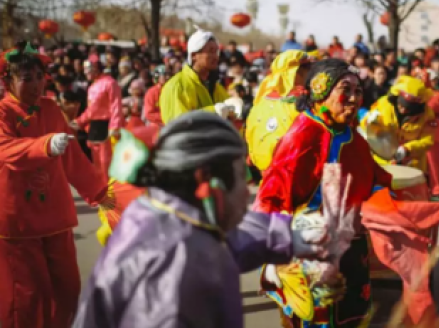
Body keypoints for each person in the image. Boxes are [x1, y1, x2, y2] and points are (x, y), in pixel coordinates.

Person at [73, 112, 329, 328]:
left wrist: (297, 236)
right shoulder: (180, 266)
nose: (248, 187)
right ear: (206, 179)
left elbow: (232, 238)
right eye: (241, 175)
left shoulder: (167, 212)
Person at [254, 59, 393, 328]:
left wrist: (381, 196)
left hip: (351, 246)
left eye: (358, 90)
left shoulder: (352, 137)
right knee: (317, 319)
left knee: (350, 316)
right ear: (321, 92)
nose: (354, 98)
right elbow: (273, 193)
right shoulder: (304, 135)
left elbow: (373, 176)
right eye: (345, 89)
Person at [0, 43, 110, 328]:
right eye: (27, 78)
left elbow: (73, 159)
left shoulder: (50, 108)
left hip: (55, 218)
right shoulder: (3, 113)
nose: (36, 84)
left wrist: (101, 194)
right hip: (18, 223)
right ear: (8, 81)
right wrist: (45, 145)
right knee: (25, 298)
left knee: (68, 289)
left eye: (40, 76)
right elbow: (5, 148)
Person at [245, 50, 311, 172]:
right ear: (296, 72)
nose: (312, 72)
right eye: (308, 67)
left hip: (265, 180)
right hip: (295, 179)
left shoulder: (260, 102)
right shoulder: (306, 103)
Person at [362, 75, 434, 172]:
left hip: (411, 166)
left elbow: (427, 141)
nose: (403, 110)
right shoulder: (383, 104)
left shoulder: (427, 115)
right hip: (381, 162)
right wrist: (368, 123)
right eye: (402, 104)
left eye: (409, 108)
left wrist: (407, 149)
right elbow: (364, 124)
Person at [159, 29, 231, 123]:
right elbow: (179, 125)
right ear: (194, 55)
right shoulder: (176, 87)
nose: (216, 56)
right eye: (211, 51)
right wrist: (214, 112)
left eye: (216, 52)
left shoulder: (217, 88)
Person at [72, 56, 124, 183]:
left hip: (107, 126)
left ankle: (111, 191)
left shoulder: (110, 83)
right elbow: (91, 110)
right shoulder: (92, 86)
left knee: (107, 161)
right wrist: (78, 121)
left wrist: (115, 127)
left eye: (88, 69)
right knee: (97, 163)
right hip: (95, 126)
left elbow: (115, 105)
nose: (86, 73)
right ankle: (102, 191)